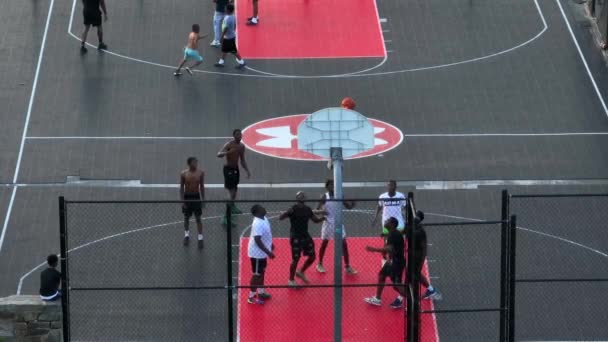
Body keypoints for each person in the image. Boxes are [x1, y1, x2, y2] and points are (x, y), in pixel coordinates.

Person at [279, 192, 325, 287]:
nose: (302, 197)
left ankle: (300, 272)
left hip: (305, 236)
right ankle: (291, 280)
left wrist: (323, 218)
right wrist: (287, 213)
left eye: (304, 195)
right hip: (296, 237)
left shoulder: (307, 209)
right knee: (295, 259)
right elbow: (281, 218)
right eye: (300, 196)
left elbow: (315, 220)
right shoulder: (293, 209)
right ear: (297, 198)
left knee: (312, 257)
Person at [364, 217, 407, 308]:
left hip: (397, 262)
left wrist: (374, 249)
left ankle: (412, 300)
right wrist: (388, 257)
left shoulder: (393, 235)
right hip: (393, 261)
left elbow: (389, 248)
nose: (385, 221)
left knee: (396, 285)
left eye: (387, 221)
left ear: (391, 224)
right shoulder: (392, 233)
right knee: (382, 275)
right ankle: (377, 299)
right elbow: (392, 249)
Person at [316, 179, 357, 275]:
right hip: (328, 223)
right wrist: (322, 211)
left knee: (344, 243)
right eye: (330, 185)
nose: (332, 187)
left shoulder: (340, 195)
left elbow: (348, 207)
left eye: (333, 185)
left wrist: (353, 204)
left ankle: (347, 266)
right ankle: (320, 264)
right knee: (324, 243)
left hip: (338, 224)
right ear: (327, 187)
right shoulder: (324, 197)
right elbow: (317, 209)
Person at [371, 180, 407, 264]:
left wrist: (408, 217)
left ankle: (394, 257)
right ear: (387, 187)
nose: (390, 187)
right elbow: (379, 206)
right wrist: (375, 217)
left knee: (399, 240)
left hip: (399, 222)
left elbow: (405, 206)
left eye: (392, 186)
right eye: (389, 185)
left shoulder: (400, 196)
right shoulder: (382, 196)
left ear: (395, 187)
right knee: (387, 241)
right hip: (387, 223)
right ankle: (384, 255)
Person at [217, 129, 251, 216]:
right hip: (228, 169)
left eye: (240, 134)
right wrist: (228, 152)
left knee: (235, 190)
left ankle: (232, 206)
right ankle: (226, 215)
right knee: (231, 191)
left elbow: (242, 160)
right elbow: (219, 154)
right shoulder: (229, 144)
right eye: (237, 134)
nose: (239, 136)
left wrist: (247, 170)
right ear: (234, 136)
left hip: (236, 169)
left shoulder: (241, 146)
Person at [247, 204, 274, 305]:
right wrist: (268, 252)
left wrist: (271, 244)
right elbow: (257, 240)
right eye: (262, 208)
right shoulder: (257, 223)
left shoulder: (264, 218)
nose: (264, 208)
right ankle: (251, 296)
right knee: (257, 275)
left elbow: (266, 233)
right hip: (257, 253)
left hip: (262, 252)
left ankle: (261, 292)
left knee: (262, 272)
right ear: (257, 212)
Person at [408, 211, 439, 300]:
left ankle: (403, 298)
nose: (415, 218)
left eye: (417, 217)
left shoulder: (421, 231)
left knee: (413, 274)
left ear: (419, 220)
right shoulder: (412, 226)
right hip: (412, 253)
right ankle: (431, 289)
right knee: (413, 273)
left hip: (417, 255)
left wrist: (422, 260)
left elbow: (424, 247)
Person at [180, 157, 205, 248]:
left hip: (196, 196)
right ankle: (186, 235)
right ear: (189, 163)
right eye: (194, 162)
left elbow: (201, 187)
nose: (196, 163)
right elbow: (182, 188)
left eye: (196, 162)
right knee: (186, 217)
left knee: (198, 218)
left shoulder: (200, 173)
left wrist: (203, 199)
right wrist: (182, 201)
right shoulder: (183, 174)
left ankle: (200, 237)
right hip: (187, 197)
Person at [214, 4, 246, 69]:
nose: (225, 9)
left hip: (228, 37)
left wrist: (222, 37)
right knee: (225, 49)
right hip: (230, 36)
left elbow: (225, 28)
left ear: (228, 10)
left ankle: (242, 62)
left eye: (225, 8)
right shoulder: (233, 16)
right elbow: (234, 25)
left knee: (233, 51)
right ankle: (221, 62)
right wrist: (233, 31)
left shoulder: (227, 18)